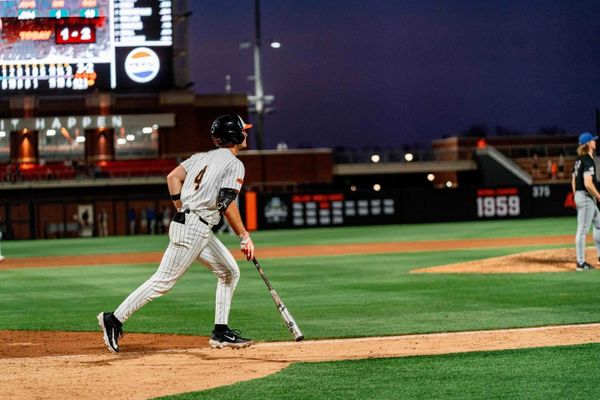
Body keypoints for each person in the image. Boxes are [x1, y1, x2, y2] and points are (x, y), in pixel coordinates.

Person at [97, 115, 256, 353]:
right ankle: (114, 319)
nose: (246, 134)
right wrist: (244, 235)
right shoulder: (234, 164)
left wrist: (182, 208)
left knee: (229, 272)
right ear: (235, 135)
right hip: (194, 228)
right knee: (163, 282)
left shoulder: (201, 157)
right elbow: (226, 203)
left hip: (195, 225)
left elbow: (173, 177)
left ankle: (221, 332)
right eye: (243, 130)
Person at [572, 132, 600, 271]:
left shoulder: (579, 159)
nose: (595, 142)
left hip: (583, 195)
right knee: (582, 230)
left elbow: (573, 180)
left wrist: (576, 194)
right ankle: (581, 263)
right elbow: (588, 184)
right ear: (588, 143)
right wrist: (598, 196)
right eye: (593, 140)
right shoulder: (587, 160)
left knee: (599, 223)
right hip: (585, 195)